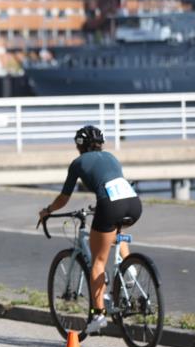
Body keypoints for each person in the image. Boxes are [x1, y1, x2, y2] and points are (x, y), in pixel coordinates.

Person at [39, 125, 142, 335]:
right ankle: (129, 270)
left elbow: (63, 198)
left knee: (98, 261)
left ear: (79, 146)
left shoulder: (78, 163)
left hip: (110, 205)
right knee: (115, 231)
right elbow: (111, 183)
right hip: (133, 203)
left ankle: (98, 314)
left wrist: (47, 211)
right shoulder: (111, 157)